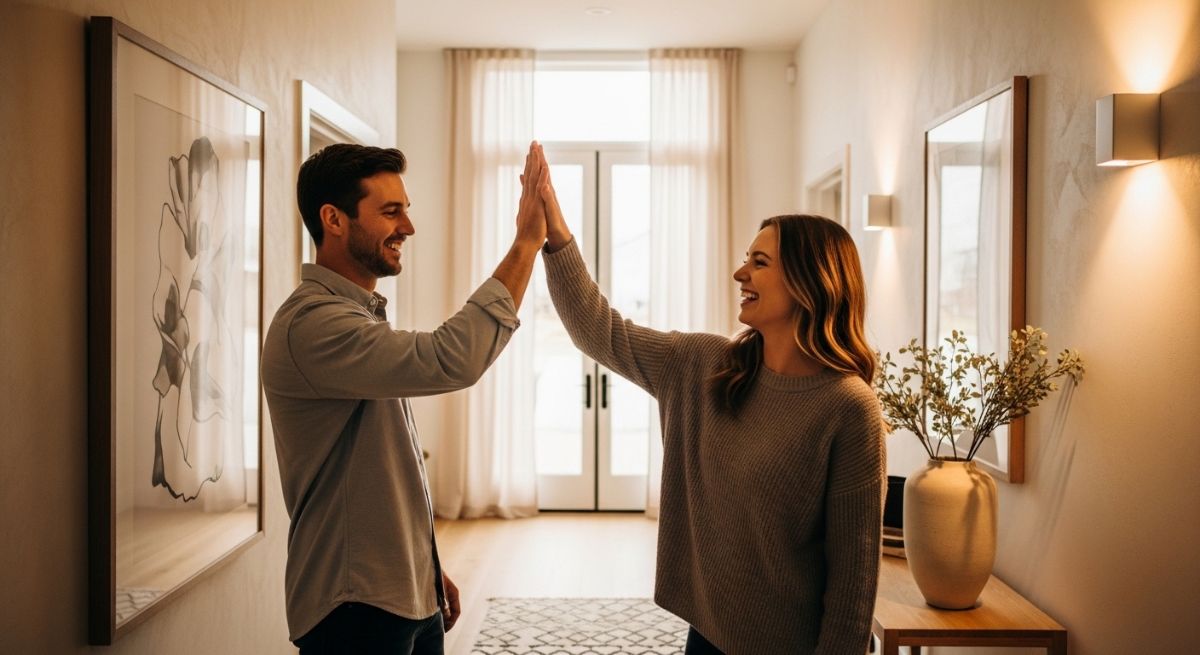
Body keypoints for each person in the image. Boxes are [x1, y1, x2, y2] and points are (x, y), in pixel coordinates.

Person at [534, 147, 886, 654]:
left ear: (810, 284)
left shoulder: (849, 409)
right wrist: (556, 233)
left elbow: (853, 587)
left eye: (759, 262)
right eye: (746, 260)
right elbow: (598, 330)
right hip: (705, 637)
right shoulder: (702, 364)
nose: (741, 274)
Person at [262, 141, 547, 654]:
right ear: (334, 219)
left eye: (406, 210)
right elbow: (448, 358)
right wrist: (526, 243)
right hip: (352, 608)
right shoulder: (313, 325)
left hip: (401, 593)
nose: (408, 227)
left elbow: (384, 467)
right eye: (391, 211)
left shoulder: (357, 316)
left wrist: (425, 568)